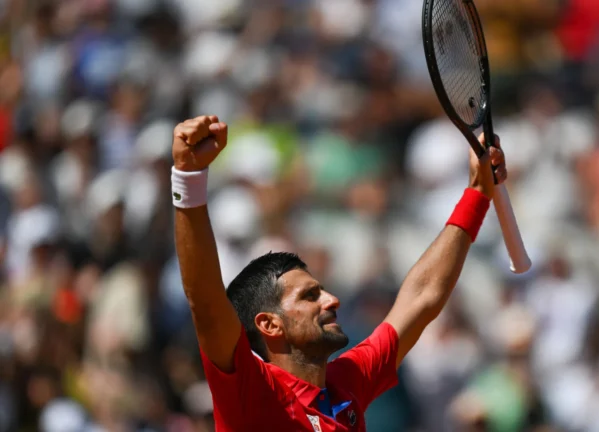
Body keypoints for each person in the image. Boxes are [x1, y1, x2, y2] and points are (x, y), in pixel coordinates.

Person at [169, 115, 507, 431]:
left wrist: (477, 193)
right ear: (269, 324)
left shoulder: (346, 382)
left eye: (321, 290)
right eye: (310, 296)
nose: (332, 300)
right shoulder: (252, 391)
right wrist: (188, 178)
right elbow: (206, 301)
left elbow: (421, 297)